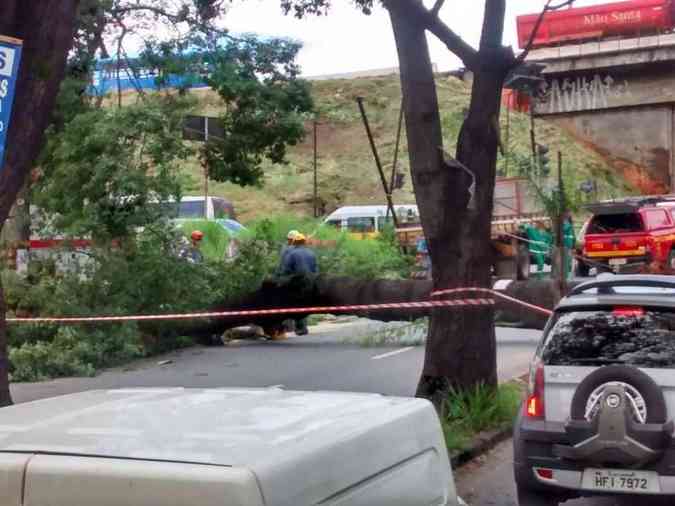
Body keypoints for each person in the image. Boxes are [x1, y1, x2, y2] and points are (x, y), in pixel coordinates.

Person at [280, 233, 318, 336]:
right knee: (304, 305)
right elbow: (315, 270)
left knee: (295, 305)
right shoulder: (311, 253)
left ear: (294, 242)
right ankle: (303, 328)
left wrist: (283, 279)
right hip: (310, 283)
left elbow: (285, 270)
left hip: (296, 283)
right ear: (304, 242)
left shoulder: (292, 254)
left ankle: (298, 327)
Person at [562, 212, 576, 279]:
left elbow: (573, 237)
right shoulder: (570, 226)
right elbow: (574, 237)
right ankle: (569, 276)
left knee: (567, 261)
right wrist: (573, 246)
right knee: (568, 261)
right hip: (568, 246)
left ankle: (568, 276)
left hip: (566, 245)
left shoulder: (566, 225)